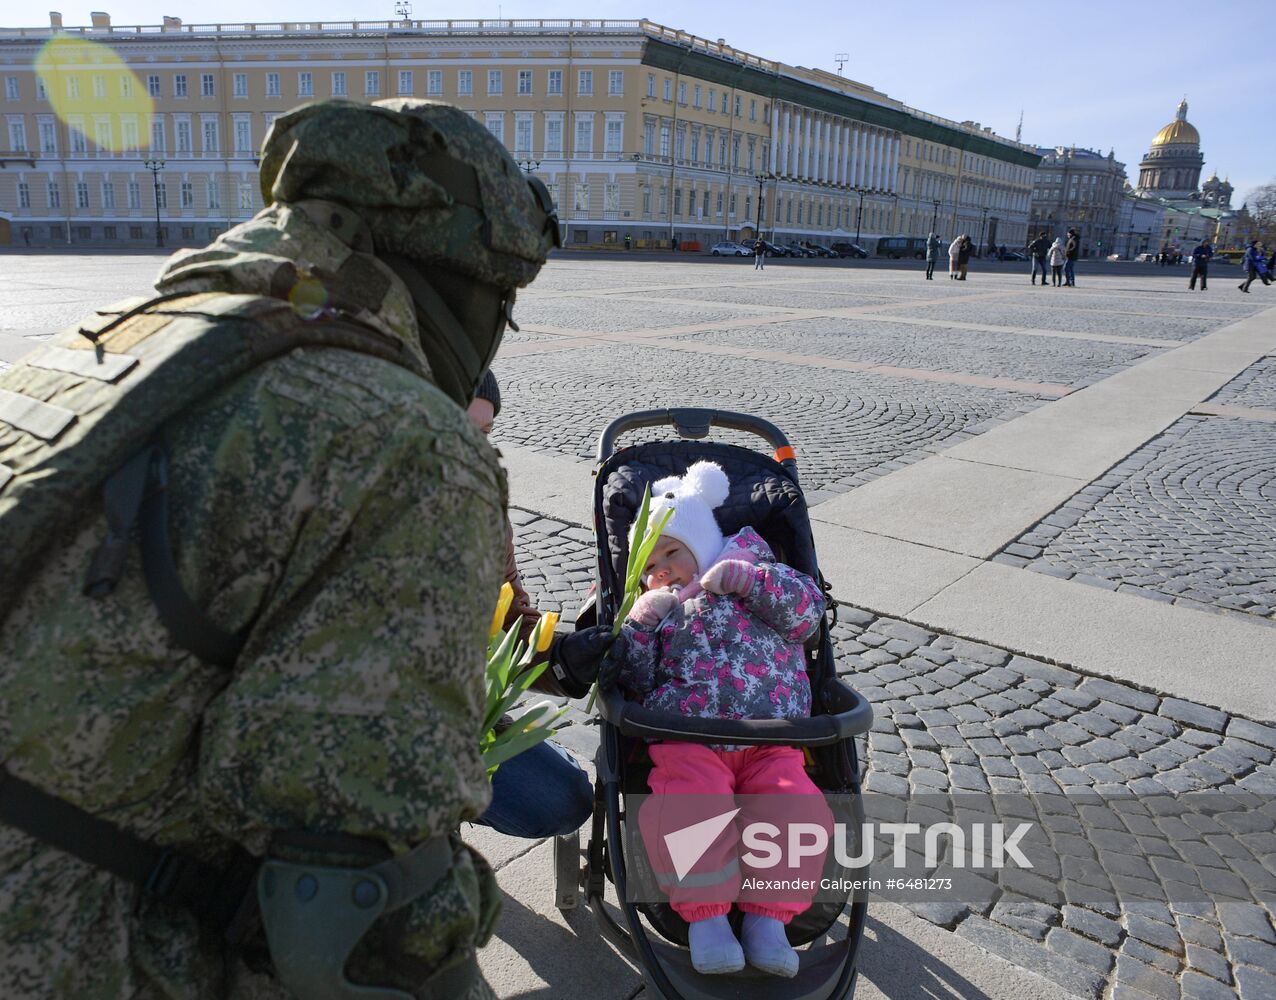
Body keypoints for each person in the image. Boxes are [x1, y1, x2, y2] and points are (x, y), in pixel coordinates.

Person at [0, 99, 574, 1000]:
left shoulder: (100, 344)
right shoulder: (401, 442)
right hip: (83, 949)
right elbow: (358, 887)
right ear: (464, 281)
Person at [614, 462, 829, 979]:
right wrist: (639, 626)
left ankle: (768, 920)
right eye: (649, 564)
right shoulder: (659, 607)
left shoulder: (756, 566)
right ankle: (706, 918)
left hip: (772, 734)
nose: (662, 570)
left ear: (702, 542)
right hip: (688, 735)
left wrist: (752, 583)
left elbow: (807, 615)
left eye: (672, 552)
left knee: (792, 806)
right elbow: (634, 680)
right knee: (689, 804)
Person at [465, 369, 602, 840]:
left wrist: (563, 658)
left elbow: (508, 619)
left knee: (561, 800)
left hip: (464, 722)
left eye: (484, 434)